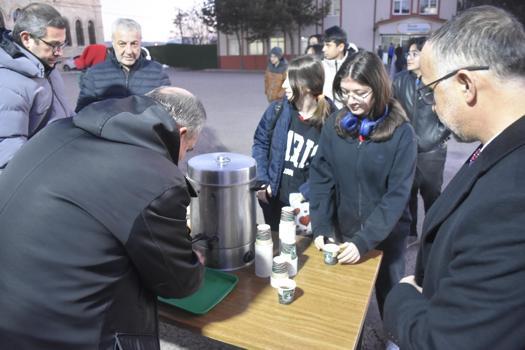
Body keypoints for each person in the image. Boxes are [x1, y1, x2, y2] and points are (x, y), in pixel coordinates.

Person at [0, 86, 206, 349]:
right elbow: (178, 282)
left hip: (11, 310)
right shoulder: (155, 177)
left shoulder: (57, 130)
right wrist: (196, 260)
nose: (183, 157)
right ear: (182, 134)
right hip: (69, 333)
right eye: (189, 149)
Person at [383, 6, 525, 349]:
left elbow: (450, 341)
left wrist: (400, 298)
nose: (430, 103)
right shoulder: (501, 145)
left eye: (431, 88)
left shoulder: (511, 202)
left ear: (465, 84)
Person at [310, 51, 417, 315]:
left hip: (387, 235)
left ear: (379, 89)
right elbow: (321, 178)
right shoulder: (335, 125)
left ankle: (394, 341)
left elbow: (396, 196)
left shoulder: (403, 134)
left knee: (389, 294)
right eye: (345, 92)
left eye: (360, 93)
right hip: (343, 231)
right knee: (346, 300)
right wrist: (322, 227)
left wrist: (364, 240)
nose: (351, 101)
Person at [253, 55, 336, 231]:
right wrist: (262, 181)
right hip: (274, 200)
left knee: (303, 254)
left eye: (289, 80)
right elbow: (261, 143)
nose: (283, 85)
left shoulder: (332, 120)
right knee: (276, 249)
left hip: (306, 206)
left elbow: (332, 167)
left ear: (305, 86)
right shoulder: (277, 109)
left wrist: (305, 194)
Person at [0, 3, 74, 173]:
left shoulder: (48, 69)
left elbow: (65, 116)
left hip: (62, 165)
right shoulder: (6, 84)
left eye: (62, 45)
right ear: (26, 38)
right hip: (41, 178)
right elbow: (9, 160)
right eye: (54, 45)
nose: (59, 53)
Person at [393, 37, 450, 240]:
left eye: (415, 53)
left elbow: (450, 114)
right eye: (409, 53)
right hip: (407, 150)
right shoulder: (399, 80)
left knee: (432, 196)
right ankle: (411, 234)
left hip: (432, 153)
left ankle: (434, 235)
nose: (409, 57)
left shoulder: (440, 82)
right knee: (407, 195)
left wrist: (434, 137)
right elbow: (392, 109)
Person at [75, 18, 170, 112]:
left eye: (134, 44)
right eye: (122, 44)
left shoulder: (157, 72)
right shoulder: (94, 74)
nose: (129, 51)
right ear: (113, 43)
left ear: (140, 42)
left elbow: (169, 109)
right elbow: (82, 112)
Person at [322, 25, 358, 109]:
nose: (323, 49)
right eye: (323, 45)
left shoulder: (354, 66)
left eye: (328, 45)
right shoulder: (320, 66)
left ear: (341, 47)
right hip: (325, 117)